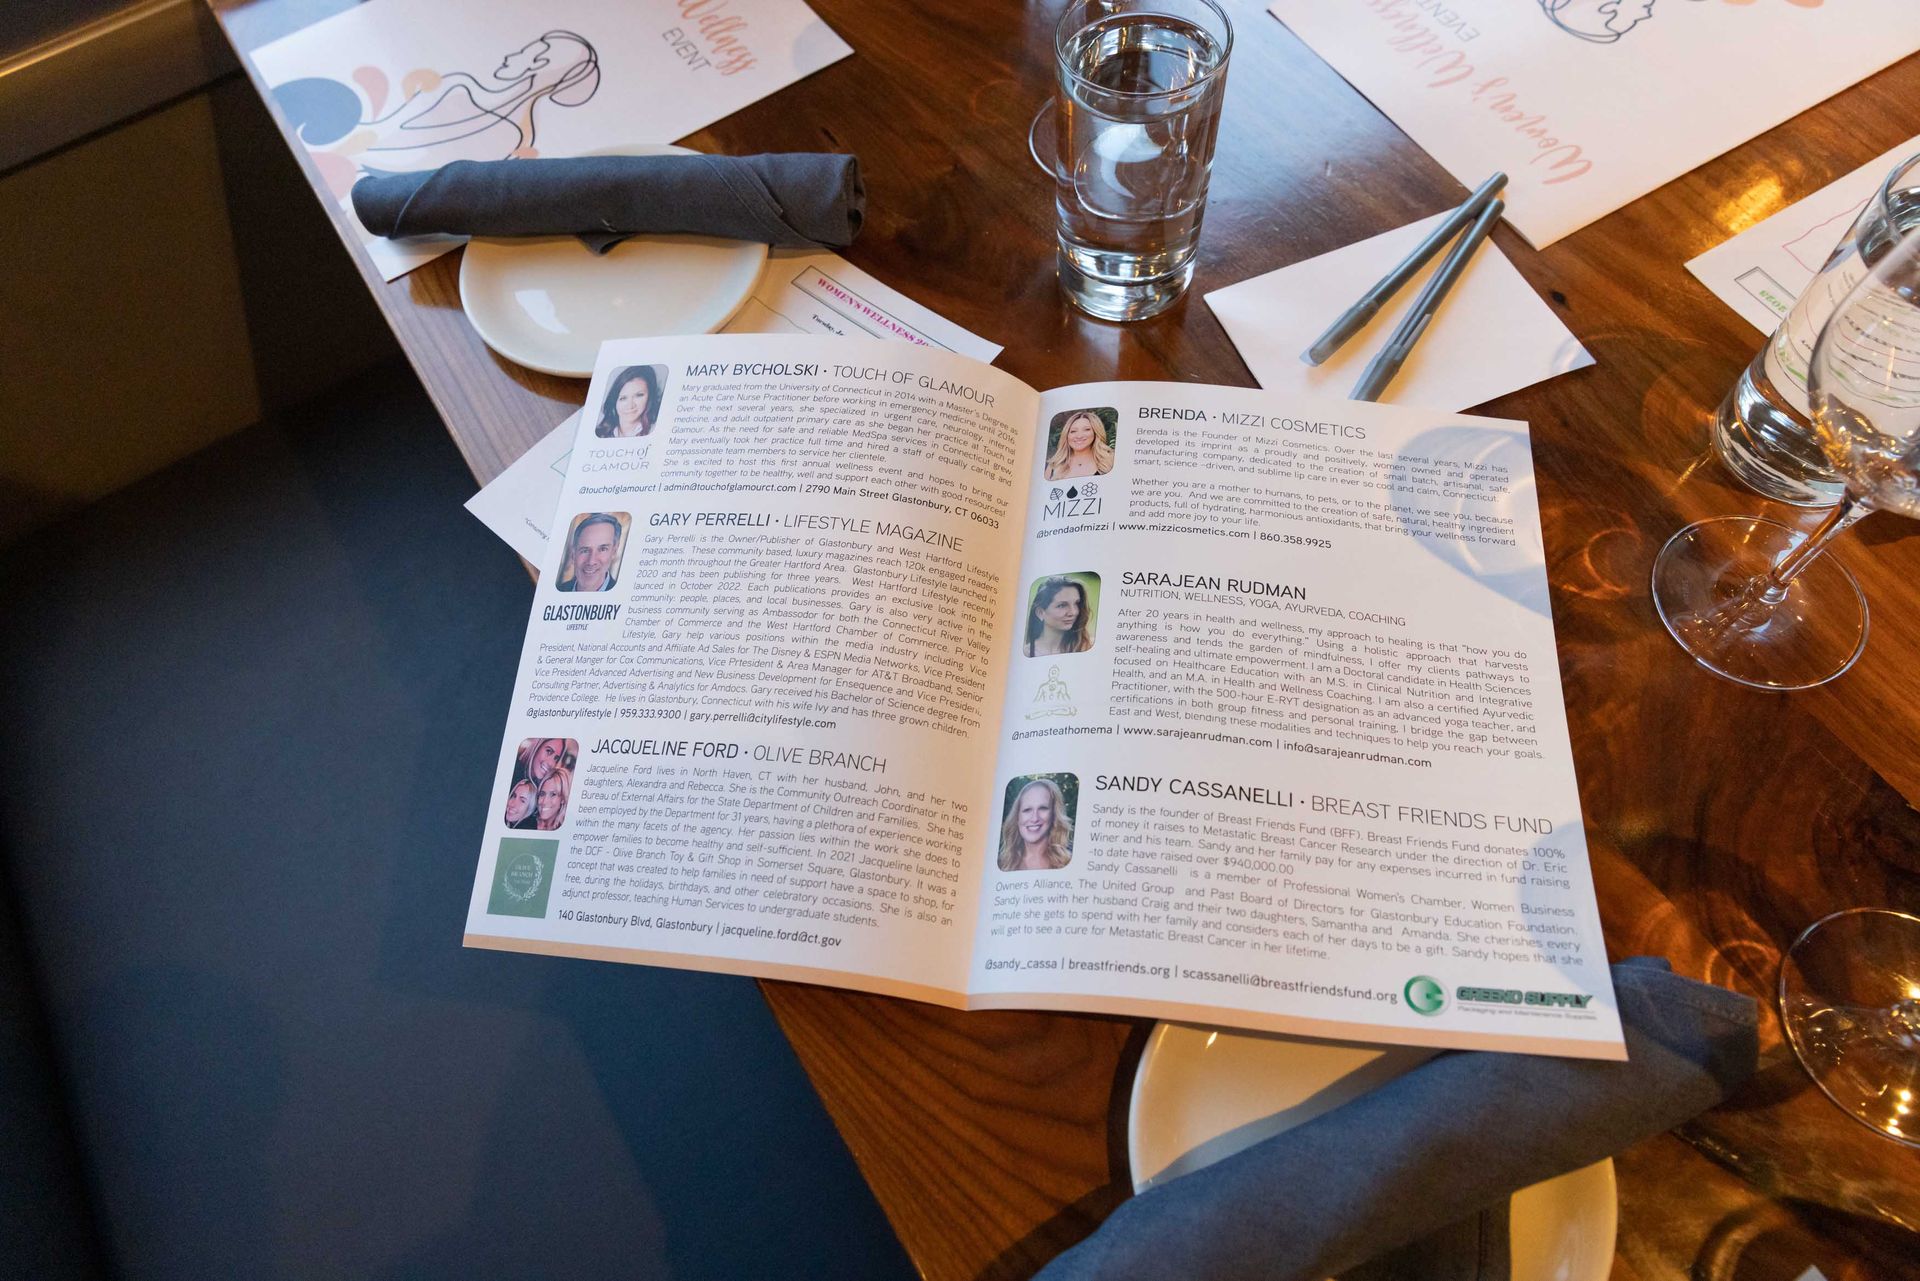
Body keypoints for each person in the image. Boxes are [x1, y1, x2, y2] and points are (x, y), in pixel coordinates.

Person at [997, 777, 1073, 872]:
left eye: (1043, 808)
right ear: (1017, 817)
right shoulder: (1002, 863)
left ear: (1054, 814)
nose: (1034, 818)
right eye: (1027, 810)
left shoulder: (1070, 860)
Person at [1023, 577, 1092, 657]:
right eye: (1062, 605)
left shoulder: (1088, 646)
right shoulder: (1027, 653)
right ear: (1040, 613)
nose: (1073, 612)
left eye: (1076, 603)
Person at [594, 366, 662, 438]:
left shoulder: (656, 431)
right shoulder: (599, 433)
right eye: (623, 398)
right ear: (614, 402)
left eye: (639, 395)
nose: (630, 405)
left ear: (650, 397)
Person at [1044, 410, 1114, 480]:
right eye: (1073, 431)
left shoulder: (1110, 460)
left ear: (1096, 432)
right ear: (1066, 435)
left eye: (1086, 429)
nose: (1079, 436)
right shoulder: (1054, 465)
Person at [558, 514, 621, 592]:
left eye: (602, 549)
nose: (591, 561)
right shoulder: (558, 590)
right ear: (573, 554)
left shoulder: (622, 595)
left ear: (614, 551)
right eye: (585, 550)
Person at [535, 766, 571, 831]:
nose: (544, 802)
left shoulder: (566, 830)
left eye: (553, 794)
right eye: (542, 794)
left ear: (562, 799)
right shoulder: (527, 823)